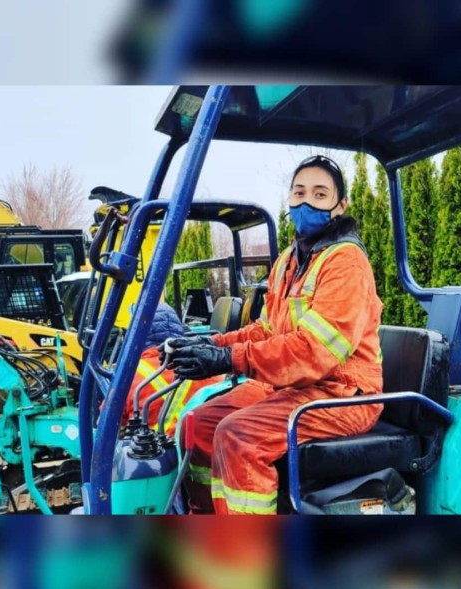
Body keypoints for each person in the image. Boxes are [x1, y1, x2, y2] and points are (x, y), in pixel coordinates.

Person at [166, 155, 384, 514]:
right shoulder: (289, 260)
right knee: (199, 423)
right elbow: (266, 329)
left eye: (319, 193)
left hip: (343, 393)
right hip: (292, 387)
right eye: (299, 192)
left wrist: (228, 359)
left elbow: (315, 351)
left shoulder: (346, 262)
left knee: (240, 435)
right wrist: (211, 343)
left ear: (339, 205)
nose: (305, 202)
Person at [121, 301, 224, 435]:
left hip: (152, 452)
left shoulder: (127, 376)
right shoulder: (211, 367)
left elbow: (111, 425)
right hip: (199, 451)